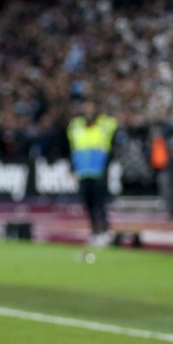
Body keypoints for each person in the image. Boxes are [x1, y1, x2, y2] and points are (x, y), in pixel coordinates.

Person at [66, 99, 118, 244]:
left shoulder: (105, 125)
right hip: (83, 171)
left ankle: (105, 230)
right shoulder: (75, 126)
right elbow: (73, 149)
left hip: (100, 171)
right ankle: (95, 230)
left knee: (100, 203)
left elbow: (111, 146)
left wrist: (108, 166)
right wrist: (73, 168)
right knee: (87, 203)